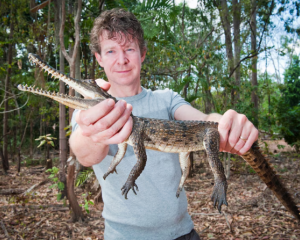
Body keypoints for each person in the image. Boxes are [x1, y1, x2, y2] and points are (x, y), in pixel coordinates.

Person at [70, 8, 258, 240]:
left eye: (129, 48)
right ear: (99, 58)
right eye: (111, 51)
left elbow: (205, 121)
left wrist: (228, 123)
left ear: (142, 53)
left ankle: (221, 180)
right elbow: (85, 154)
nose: (122, 59)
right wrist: (92, 130)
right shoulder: (89, 109)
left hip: (183, 233)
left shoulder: (167, 98)